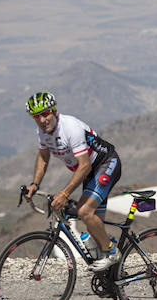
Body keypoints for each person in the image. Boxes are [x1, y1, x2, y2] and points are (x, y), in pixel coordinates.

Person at [23, 92, 123, 272]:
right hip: (90, 172)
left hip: (106, 163)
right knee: (93, 226)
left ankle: (113, 253)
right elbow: (43, 158)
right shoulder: (42, 132)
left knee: (85, 212)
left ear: (54, 111)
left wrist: (64, 193)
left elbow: (83, 166)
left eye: (45, 113)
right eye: (37, 116)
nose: (42, 119)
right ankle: (113, 279)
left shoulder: (70, 127)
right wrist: (35, 184)